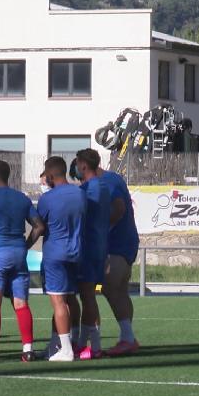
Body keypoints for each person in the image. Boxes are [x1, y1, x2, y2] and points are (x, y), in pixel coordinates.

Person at [0, 161, 45, 364]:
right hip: (19, 254)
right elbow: (38, 226)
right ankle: (28, 350)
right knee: (21, 303)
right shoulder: (22, 198)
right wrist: (26, 245)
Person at [84, 150, 141, 356]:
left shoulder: (107, 181)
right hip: (122, 244)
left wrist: (101, 229)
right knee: (117, 290)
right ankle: (127, 337)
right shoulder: (111, 180)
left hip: (117, 245)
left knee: (105, 288)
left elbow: (118, 208)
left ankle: (106, 339)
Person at [37, 157, 87, 363]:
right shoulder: (80, 194)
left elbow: (39, 225)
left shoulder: (48, 199)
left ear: (49, 175)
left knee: (58, 302)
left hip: (55, 254)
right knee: (71, 298)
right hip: (76, 252)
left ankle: (66, 349)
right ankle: (67, 342)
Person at [74, 148, 112, 360]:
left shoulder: (90, 189)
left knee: (88, 296)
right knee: (86, 295)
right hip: (99, 246)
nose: (77, 168)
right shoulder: (102, 187)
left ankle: (95, 345)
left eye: (78, 164)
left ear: (84, 165)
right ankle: (83, 343)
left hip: (90, 247)